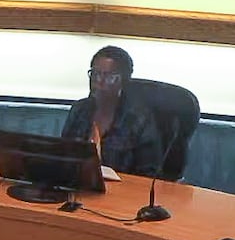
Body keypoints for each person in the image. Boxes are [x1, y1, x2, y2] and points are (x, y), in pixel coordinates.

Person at [60, 45, 165, 175]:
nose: (99, 82)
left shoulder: (139, 120)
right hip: (79, 186)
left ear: (123, 82)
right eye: (95, 74)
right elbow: (62, 155)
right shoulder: (79, 110)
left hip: (124, 191)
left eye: (109, 77)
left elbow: (150, 174)